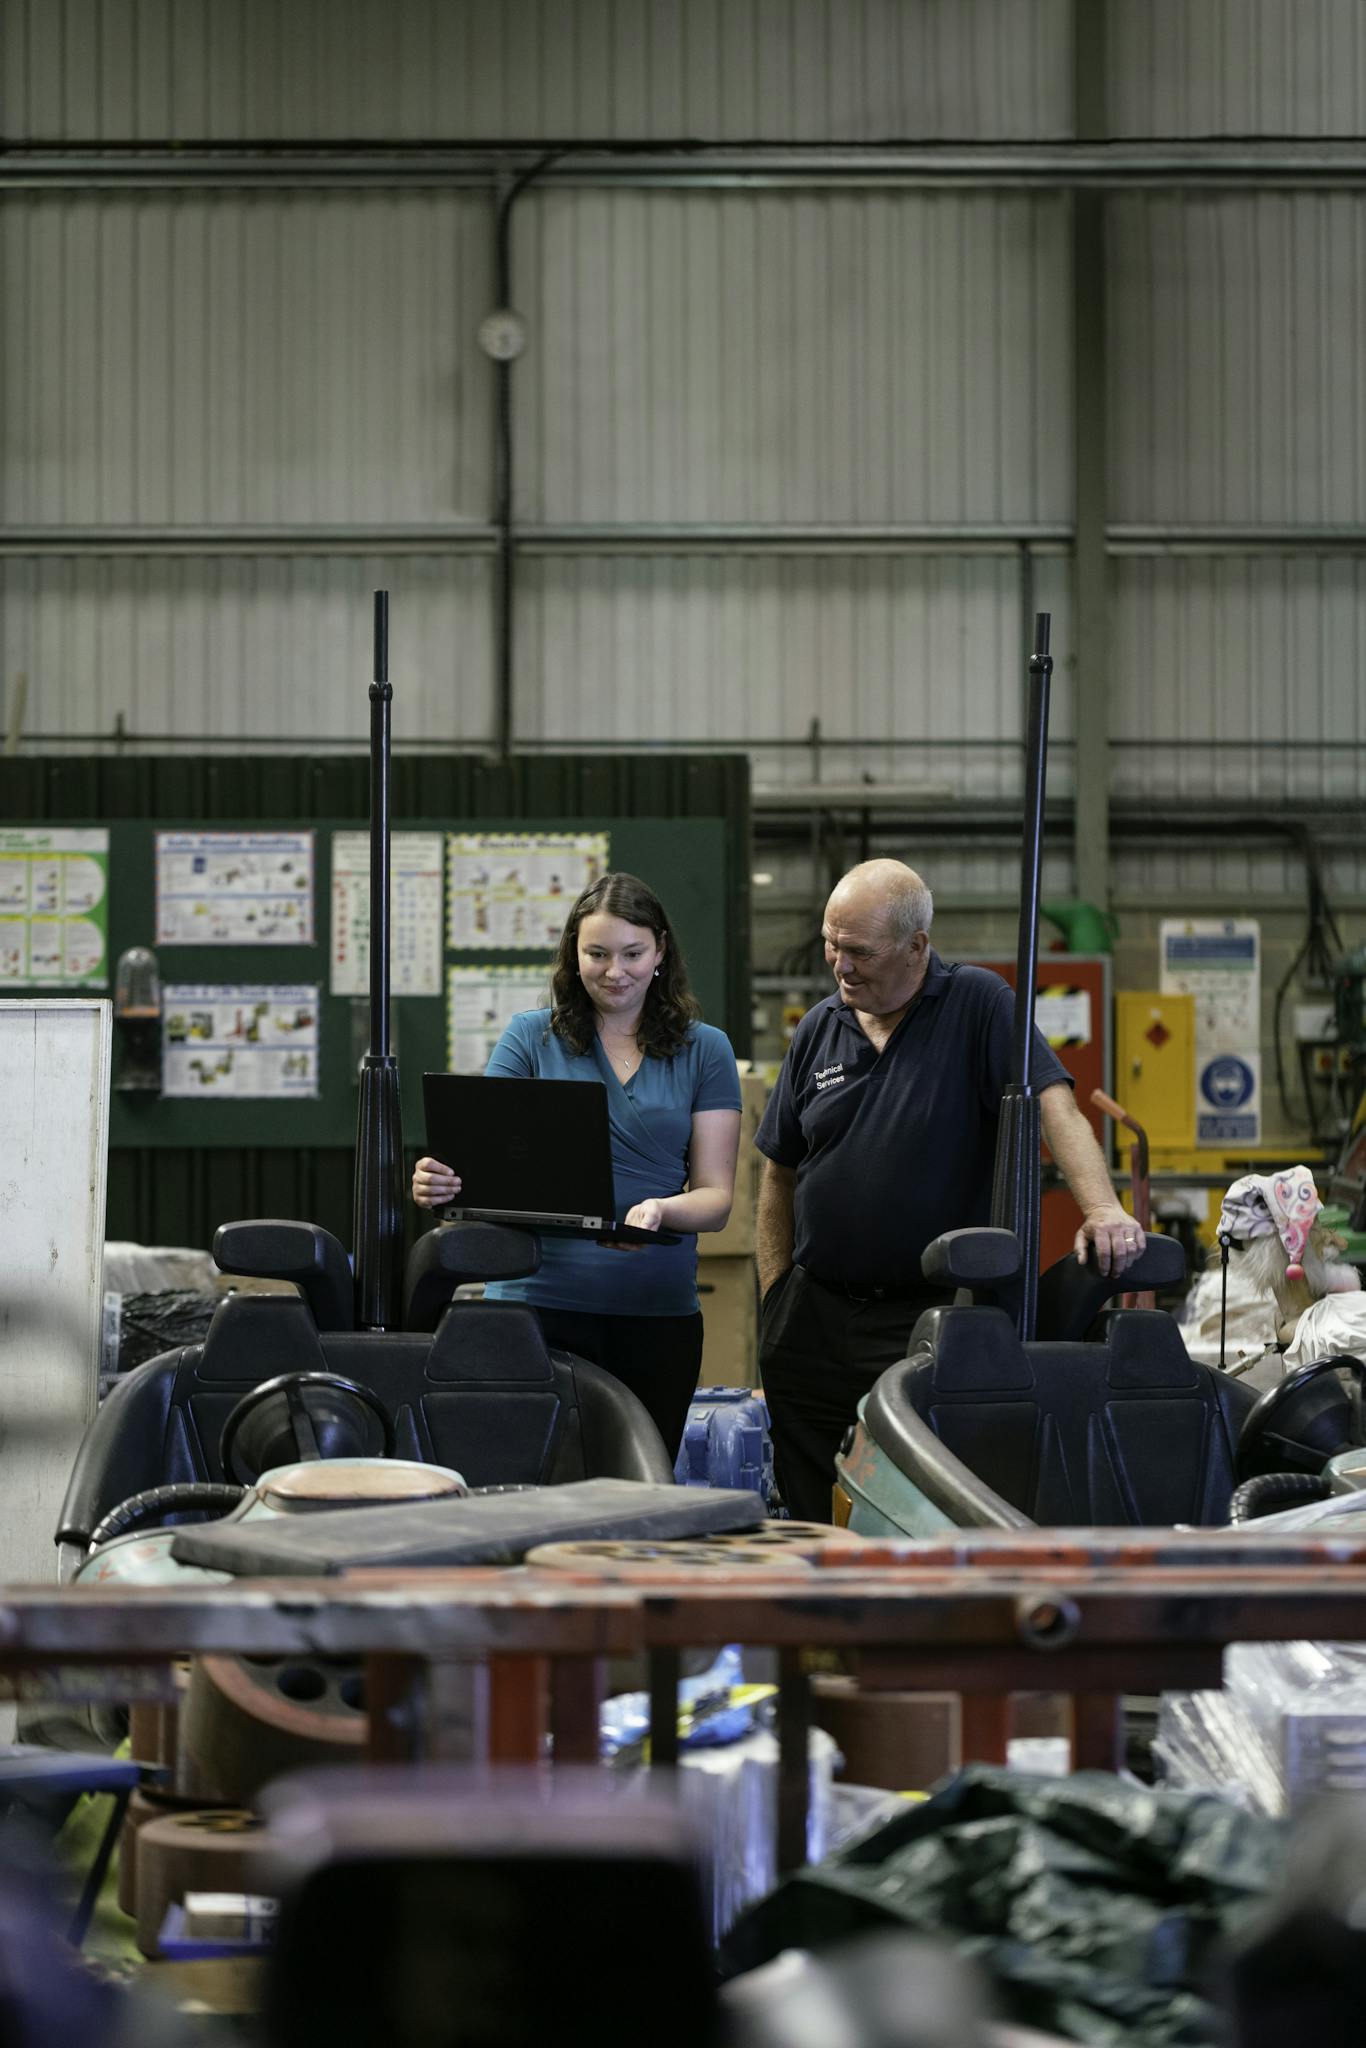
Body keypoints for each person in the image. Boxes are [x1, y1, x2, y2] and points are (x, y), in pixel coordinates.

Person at [755, 858, 1146, 1523]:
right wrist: (774, 1297)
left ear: (917, 946)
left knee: (920, 1503)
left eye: (859, 952)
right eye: (831, 946)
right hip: (813, 1319)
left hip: (928, 1318)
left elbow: (1055, 1106)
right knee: (806, 1507)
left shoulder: (978, 1004)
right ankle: (818, 1622)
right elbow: (779, 1174)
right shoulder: (819, 1027)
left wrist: (1103, 1209)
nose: (840, 966)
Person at [413, 871, 742, 1459]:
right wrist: (439, 1182)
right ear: (574, 954)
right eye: (597, 954)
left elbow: (716, 1199)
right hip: (533, 1306)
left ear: (661, 951)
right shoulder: (530, 1038)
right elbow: (482, 1166)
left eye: (633, 954)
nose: (615, 972)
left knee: (641, 1485)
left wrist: (663, 1210)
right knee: (532, 1477)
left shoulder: (706, 1049)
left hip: (654, 1313)